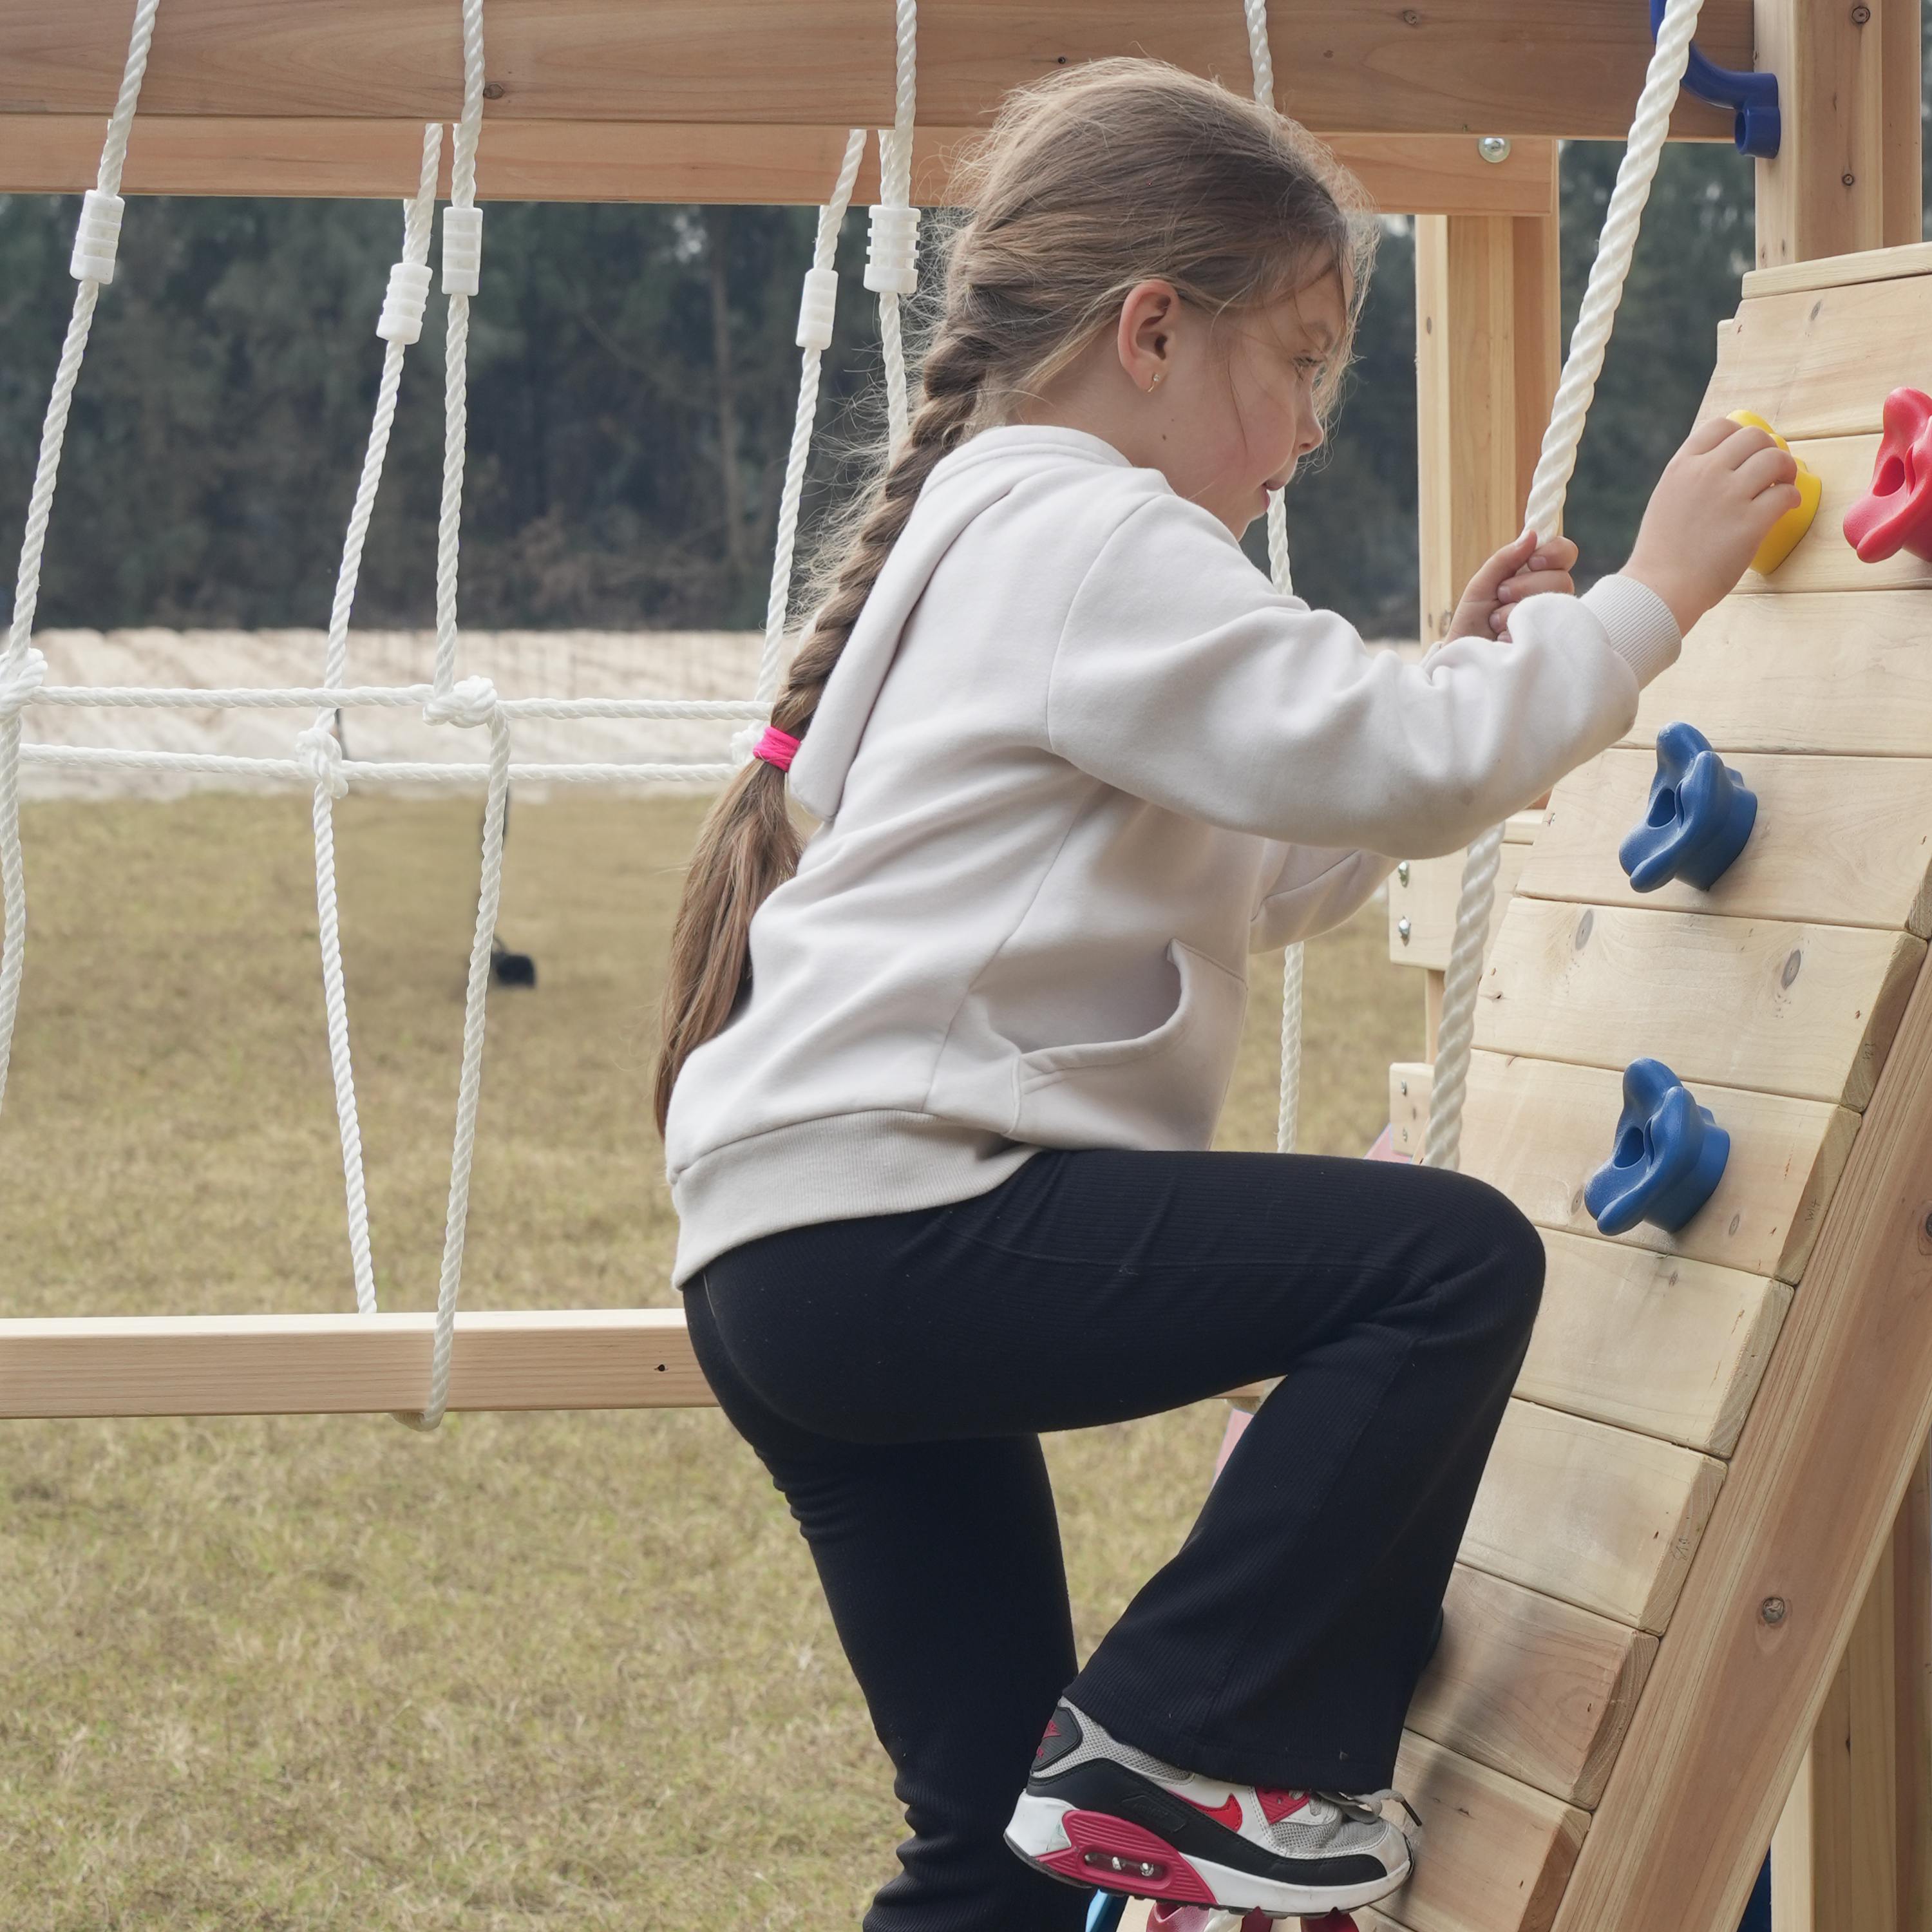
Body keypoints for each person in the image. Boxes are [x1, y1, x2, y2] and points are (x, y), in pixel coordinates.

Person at [653, 58, 1800, 1932]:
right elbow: (1404, 767)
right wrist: (1652, 595)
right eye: (1300, 362)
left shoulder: (985, 535)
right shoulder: (1094, 532)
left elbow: (1279, 854)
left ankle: (1145, 1775)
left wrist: (1466, 666)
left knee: (996, 1859)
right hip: (902, 1224)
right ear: (1153, 332)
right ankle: (1199, 1754)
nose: (1311, 430)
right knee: (1443, 1266)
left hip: (786, 1268)